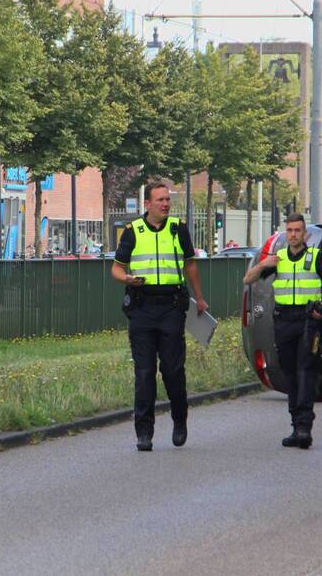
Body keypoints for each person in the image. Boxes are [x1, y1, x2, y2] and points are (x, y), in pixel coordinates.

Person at [110, 182, 208, 452]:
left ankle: (179, 420)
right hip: (141, 308)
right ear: (148, 204)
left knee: (173, 371)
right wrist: (127, 278)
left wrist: (199, 298)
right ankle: (144, 432)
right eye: (160, 200)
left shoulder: (178, 228)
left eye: (168, 200)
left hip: (171, 309)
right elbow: (116, 270)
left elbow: (190, 264)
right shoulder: (132, 232)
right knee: (144, 373)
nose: (165, 204)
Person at [243, 213, 322, 449]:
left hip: (309, 321)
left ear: (305, 234)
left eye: (298, 230)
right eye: (290, 230)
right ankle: (296, 425)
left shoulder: (317, 257)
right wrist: (263, 264)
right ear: (286, 233)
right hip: (284, 320)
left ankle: (305, 426)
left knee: (305, 370)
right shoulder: (279, 258)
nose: (294, 234)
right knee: (290, 373)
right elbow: (248, 279)